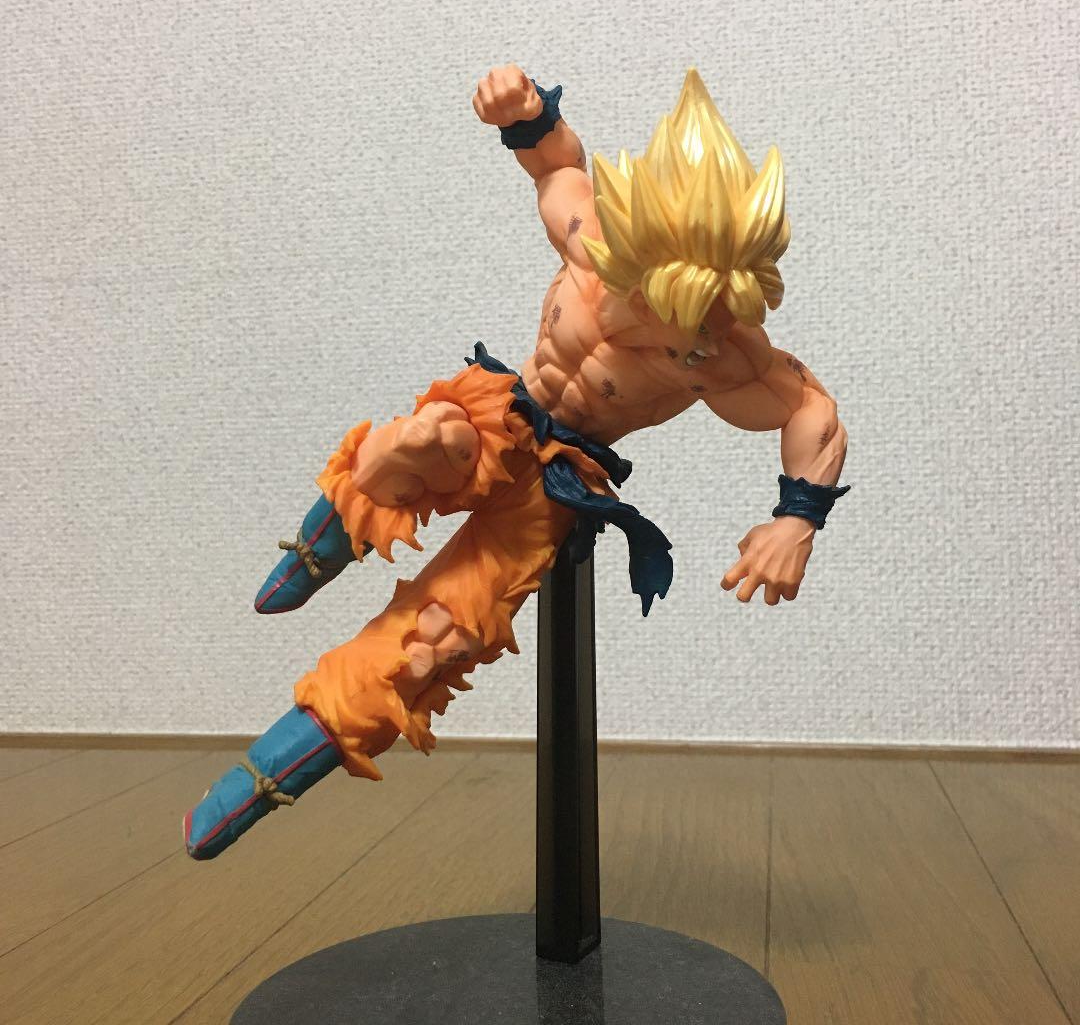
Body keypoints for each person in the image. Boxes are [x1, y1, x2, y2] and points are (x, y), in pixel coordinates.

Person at [184, 65, 849, 860]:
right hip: (497, 412)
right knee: (423, 442)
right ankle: (314, 551)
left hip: (565, 478)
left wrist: (796, 521)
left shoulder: (721, 350)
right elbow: (557, 167)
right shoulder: (593, 247)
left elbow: (811, 409)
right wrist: (525, 113)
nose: (688, 325)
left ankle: (268, 773)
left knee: (439, 637)